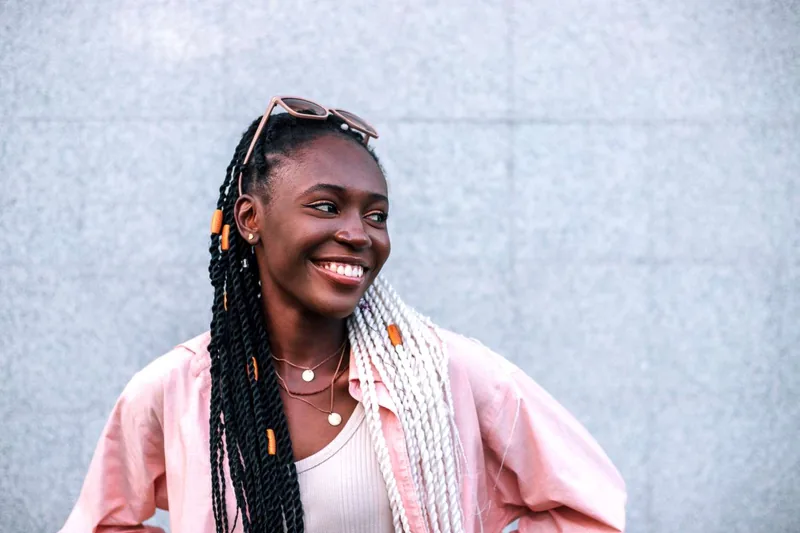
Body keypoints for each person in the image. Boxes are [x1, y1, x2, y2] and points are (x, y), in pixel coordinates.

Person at [59, 96, 626, 533]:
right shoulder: (178, 388)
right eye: (326, 206)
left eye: (376, 216)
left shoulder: (447, 374)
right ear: (251, 219)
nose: (358, 234)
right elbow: (102, 521)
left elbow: (587, 506)